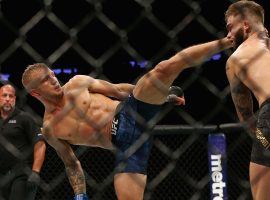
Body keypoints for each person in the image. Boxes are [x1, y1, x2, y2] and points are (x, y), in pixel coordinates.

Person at [21, 37, 232, 200]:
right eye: (46, 80)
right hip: (126, 147)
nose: (54, 80)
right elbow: (71, 163)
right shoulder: (50, 129)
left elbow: (117, 90)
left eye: (51, 74)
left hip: (131, 111)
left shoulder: (77, 84)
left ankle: (227, 41)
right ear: (36, 93)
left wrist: (161, 95)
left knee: (164, 68)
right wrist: (79, 194)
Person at [225, 0, 270, 199]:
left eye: (229, 28)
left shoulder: (235, 59)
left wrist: (265, 141)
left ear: (245, 25)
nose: (227, 36)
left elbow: (246, 118)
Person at [0, 84, 46, 200]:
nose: (7, 99)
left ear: (15, 99)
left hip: (21, 174)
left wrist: (35, 172)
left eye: (10, 96)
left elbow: (40, 143)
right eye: (4, 95)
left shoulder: (24, 118)